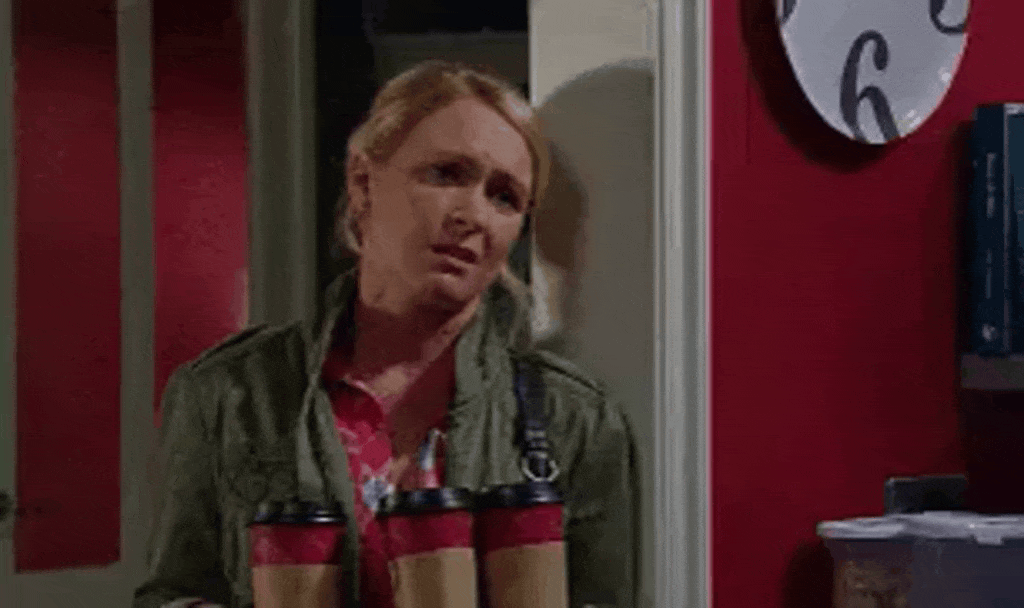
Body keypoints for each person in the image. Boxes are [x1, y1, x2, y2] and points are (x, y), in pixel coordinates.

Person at [132, 60, 640, 608]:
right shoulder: (228, 396)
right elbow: (174, 592)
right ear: (362, 181)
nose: (473, 214)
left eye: (504, 197)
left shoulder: (572, 419)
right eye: (446, 174)